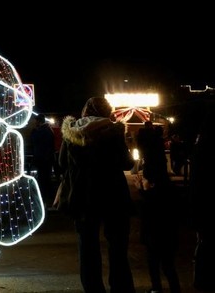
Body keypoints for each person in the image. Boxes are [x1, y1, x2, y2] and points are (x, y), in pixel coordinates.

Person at [56, 96, 135, 292]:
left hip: (83, 195)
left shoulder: (71, 132)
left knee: (87, 246)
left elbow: (62, 164)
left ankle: (93, 288)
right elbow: (127, 163)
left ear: (85, 111)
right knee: (117, 245)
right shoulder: (114, 132)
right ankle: (120, 286)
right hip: (113, 195)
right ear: (107, 111)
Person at [135, 131, 181, 293]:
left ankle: (156, 288)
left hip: (155, 229)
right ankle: (174, 288)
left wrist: (142, 190)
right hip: (168, 229)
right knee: (168, 263)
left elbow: (152, 203)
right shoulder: (161, 168)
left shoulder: (151, 168)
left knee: (153, 261)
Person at [191, 108, 215, 291]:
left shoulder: (201, 147)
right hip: (206, 203)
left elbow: (197, 180)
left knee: (205, 246)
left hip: (204, 205)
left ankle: (201, 282)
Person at [29, 113, 56, 206]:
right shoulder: (48, 130)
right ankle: (47, 197)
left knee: (43, 178)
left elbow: (35, 142)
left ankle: (45, 197)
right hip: (46, 159)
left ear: (38, 121)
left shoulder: (41, 132)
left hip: (42, 158)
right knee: (46, 178)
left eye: (35, 121)